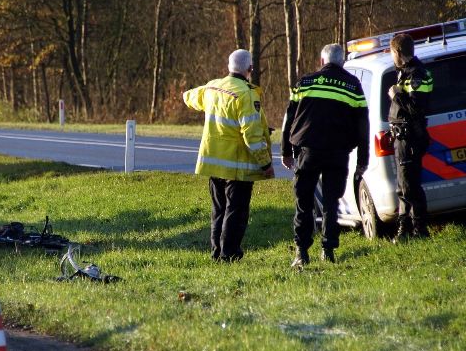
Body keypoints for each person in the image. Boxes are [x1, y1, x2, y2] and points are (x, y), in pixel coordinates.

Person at [281, 43, 369, 268]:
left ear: (322, 61)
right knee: (331, 202)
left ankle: (301, 252)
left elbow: (288, 120)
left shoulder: (305, 82)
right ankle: (328, 250)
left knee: (304, 203)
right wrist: (363, 160)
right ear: (342, 62)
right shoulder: (353, 85)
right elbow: (363, 127)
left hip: (307, 152)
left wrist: (286, 151)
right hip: (337, 154)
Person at [183, 49, 274, 262]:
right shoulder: (246, 94)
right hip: (237, 166)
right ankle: (230, 254)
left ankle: (217, 253)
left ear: (228, 67)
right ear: (250, 69)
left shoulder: (212, 87)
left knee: (219, 210)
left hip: (213, 163)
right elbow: (251, 134)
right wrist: (266, 164)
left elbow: (189, 97)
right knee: (236, 212)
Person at [388, 33, 433, 242]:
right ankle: (405, 230)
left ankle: (419, 231)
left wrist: (396, 95)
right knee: (404, 186)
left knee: (410, 186)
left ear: (397, 52)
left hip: (411, 137)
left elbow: (416, 108)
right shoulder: (405, 72)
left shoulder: (416, 74)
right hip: (402, 137)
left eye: (391, 52)